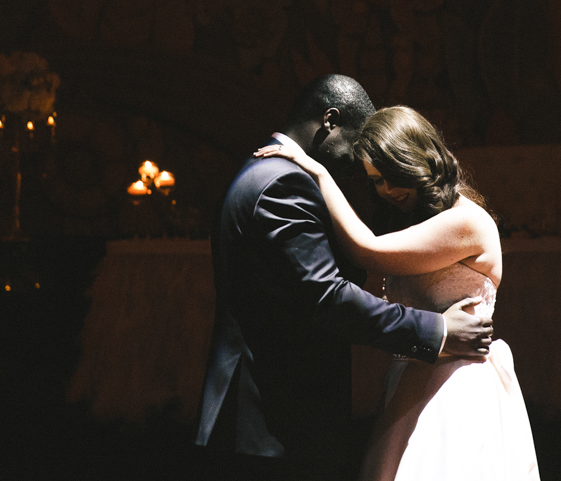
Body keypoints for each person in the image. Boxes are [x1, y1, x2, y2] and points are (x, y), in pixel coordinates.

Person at [195, 76, 494, 481]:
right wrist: (437, 331)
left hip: (270, 408)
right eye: (358, 153)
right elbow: (327, 298)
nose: (357, 168)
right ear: (329, 121)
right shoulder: (285, 182)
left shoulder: (264, 171)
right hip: (272, 414)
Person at [255, 105, 539, 480]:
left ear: (418, 160)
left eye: (392, 176)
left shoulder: (467, 221)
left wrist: (319, 172)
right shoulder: (417, 222)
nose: (386, 190)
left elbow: (367, 250)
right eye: (375, 181)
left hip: (458, 389)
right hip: (410, 384)